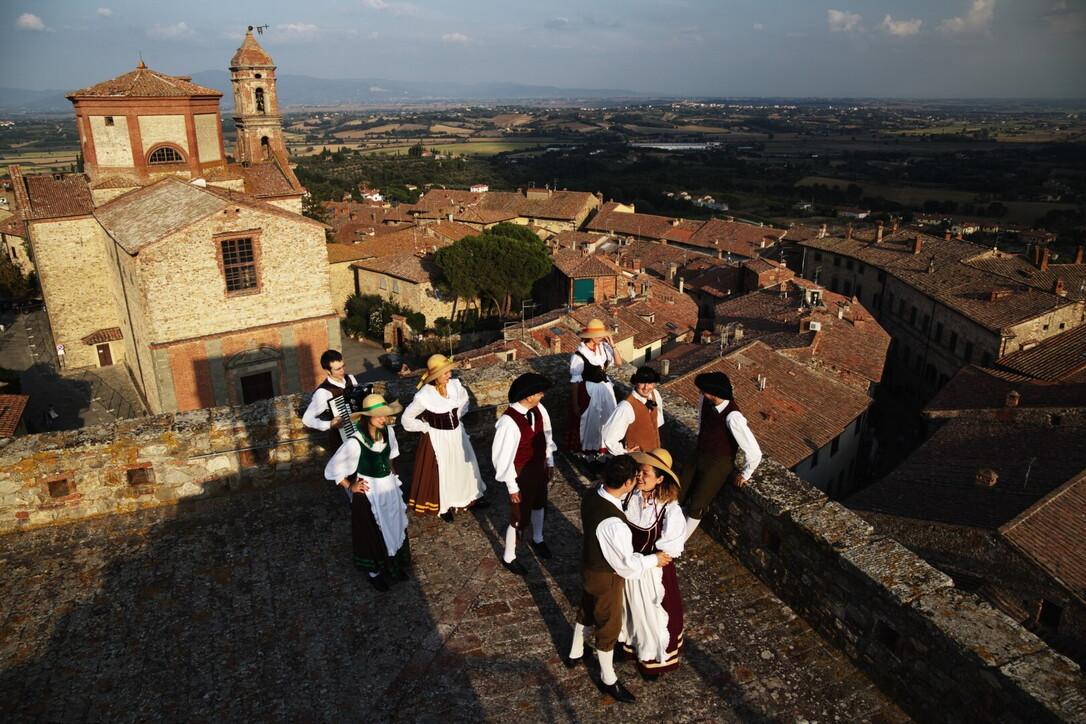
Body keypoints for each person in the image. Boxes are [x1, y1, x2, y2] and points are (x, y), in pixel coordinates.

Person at [567, 454, 671, 705]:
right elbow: (627, 566)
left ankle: (575, 652)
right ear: (626, 483)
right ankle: (608, 678)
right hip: (606, 576)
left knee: (587, 606)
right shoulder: (615, 525)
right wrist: (653, 560)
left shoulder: (593, 493)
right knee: (609, 624)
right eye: (634, 479)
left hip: (588, 564)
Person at [324, 394, 411, 592]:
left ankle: (394, 566)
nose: (384, 419)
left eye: (386, 415)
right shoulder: (355, 442)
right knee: (373, 532)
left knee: (394, 525)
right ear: (367, 417)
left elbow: (390, 458)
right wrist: (350, 485)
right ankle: (375, 573)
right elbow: (332, 469)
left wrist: (392, 477)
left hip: (388, 487)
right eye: (379, 416)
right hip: (370, 492)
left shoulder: (388, 432)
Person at [620, 448, 685, 679]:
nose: (639, 476)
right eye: (638, 471)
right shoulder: (629, 495)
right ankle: (630, 647)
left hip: (651, 572)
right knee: (630, 610)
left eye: (645, 472)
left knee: (652, 616)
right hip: (628, 565)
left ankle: (652, 662)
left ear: (660, 479)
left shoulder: (669, 509)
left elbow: (668, 551)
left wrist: (645, 561)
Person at [402, 354, 487, 522]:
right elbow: (406, 419)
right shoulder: (424, 396)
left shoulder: (455, 386)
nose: (450, 375)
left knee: (464, 467)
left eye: (449, 371)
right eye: (445, 373)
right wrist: (425, 427)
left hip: (457, 434)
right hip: (439, 439)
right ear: (435, 377)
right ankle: (445, 506)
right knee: (445, 471)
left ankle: (469, 498)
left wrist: (457, 416)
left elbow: (464, 401)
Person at [679, 371, 762, 543]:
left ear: (714, 393)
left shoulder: (733, 417)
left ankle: (679, 543)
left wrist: (746, 473)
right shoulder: (706, 402)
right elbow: (702, 425)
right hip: (700, 452)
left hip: (718, 463)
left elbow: (754, 451)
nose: (701, 393)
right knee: (678, 491)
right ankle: (670, 529)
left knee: (698, 504)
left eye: (704, 391)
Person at [492, 373, 557, 576]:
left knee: (539, 504)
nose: (542, 396)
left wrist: (549, 461)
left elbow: (547, 435)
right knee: (518, 517)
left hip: (538, 468)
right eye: (539, 393)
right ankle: (509, 556)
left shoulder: (538, 410)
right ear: (528, 396)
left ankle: (538, 539)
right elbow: (502, 458)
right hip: (521, 474)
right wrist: (512, 487)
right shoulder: (508, 423)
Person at [569, 319, 622, 459]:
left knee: (607, 419)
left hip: (605, 389)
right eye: (599, 334)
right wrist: (575, 404)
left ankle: (604, 449)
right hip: (589, 391)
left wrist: (613, 345)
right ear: (590, 336)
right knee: (590, 421)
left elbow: (619, 363)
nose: (602, 336)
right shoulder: (579, 355)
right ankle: (590, 453)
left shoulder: (604, 348)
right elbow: (575, 381)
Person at [302, 349, 361, 452]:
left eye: (343, 366)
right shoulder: (323, 392)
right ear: (328, 371)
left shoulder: (351, 378)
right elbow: (307, 419)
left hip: (360, 433)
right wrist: (329, 424)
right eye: (338, 369)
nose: (342, 371)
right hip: (342, 441)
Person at [602, 366, 664, 456]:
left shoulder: (655, 395)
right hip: (638, 458)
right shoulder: (625, 407)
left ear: (654, 384)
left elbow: (656, 423)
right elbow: (608, 438)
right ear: (635, 383)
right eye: (642, 382)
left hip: (656, 454)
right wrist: (624, 451)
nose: (646, 387)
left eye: (650, 383)